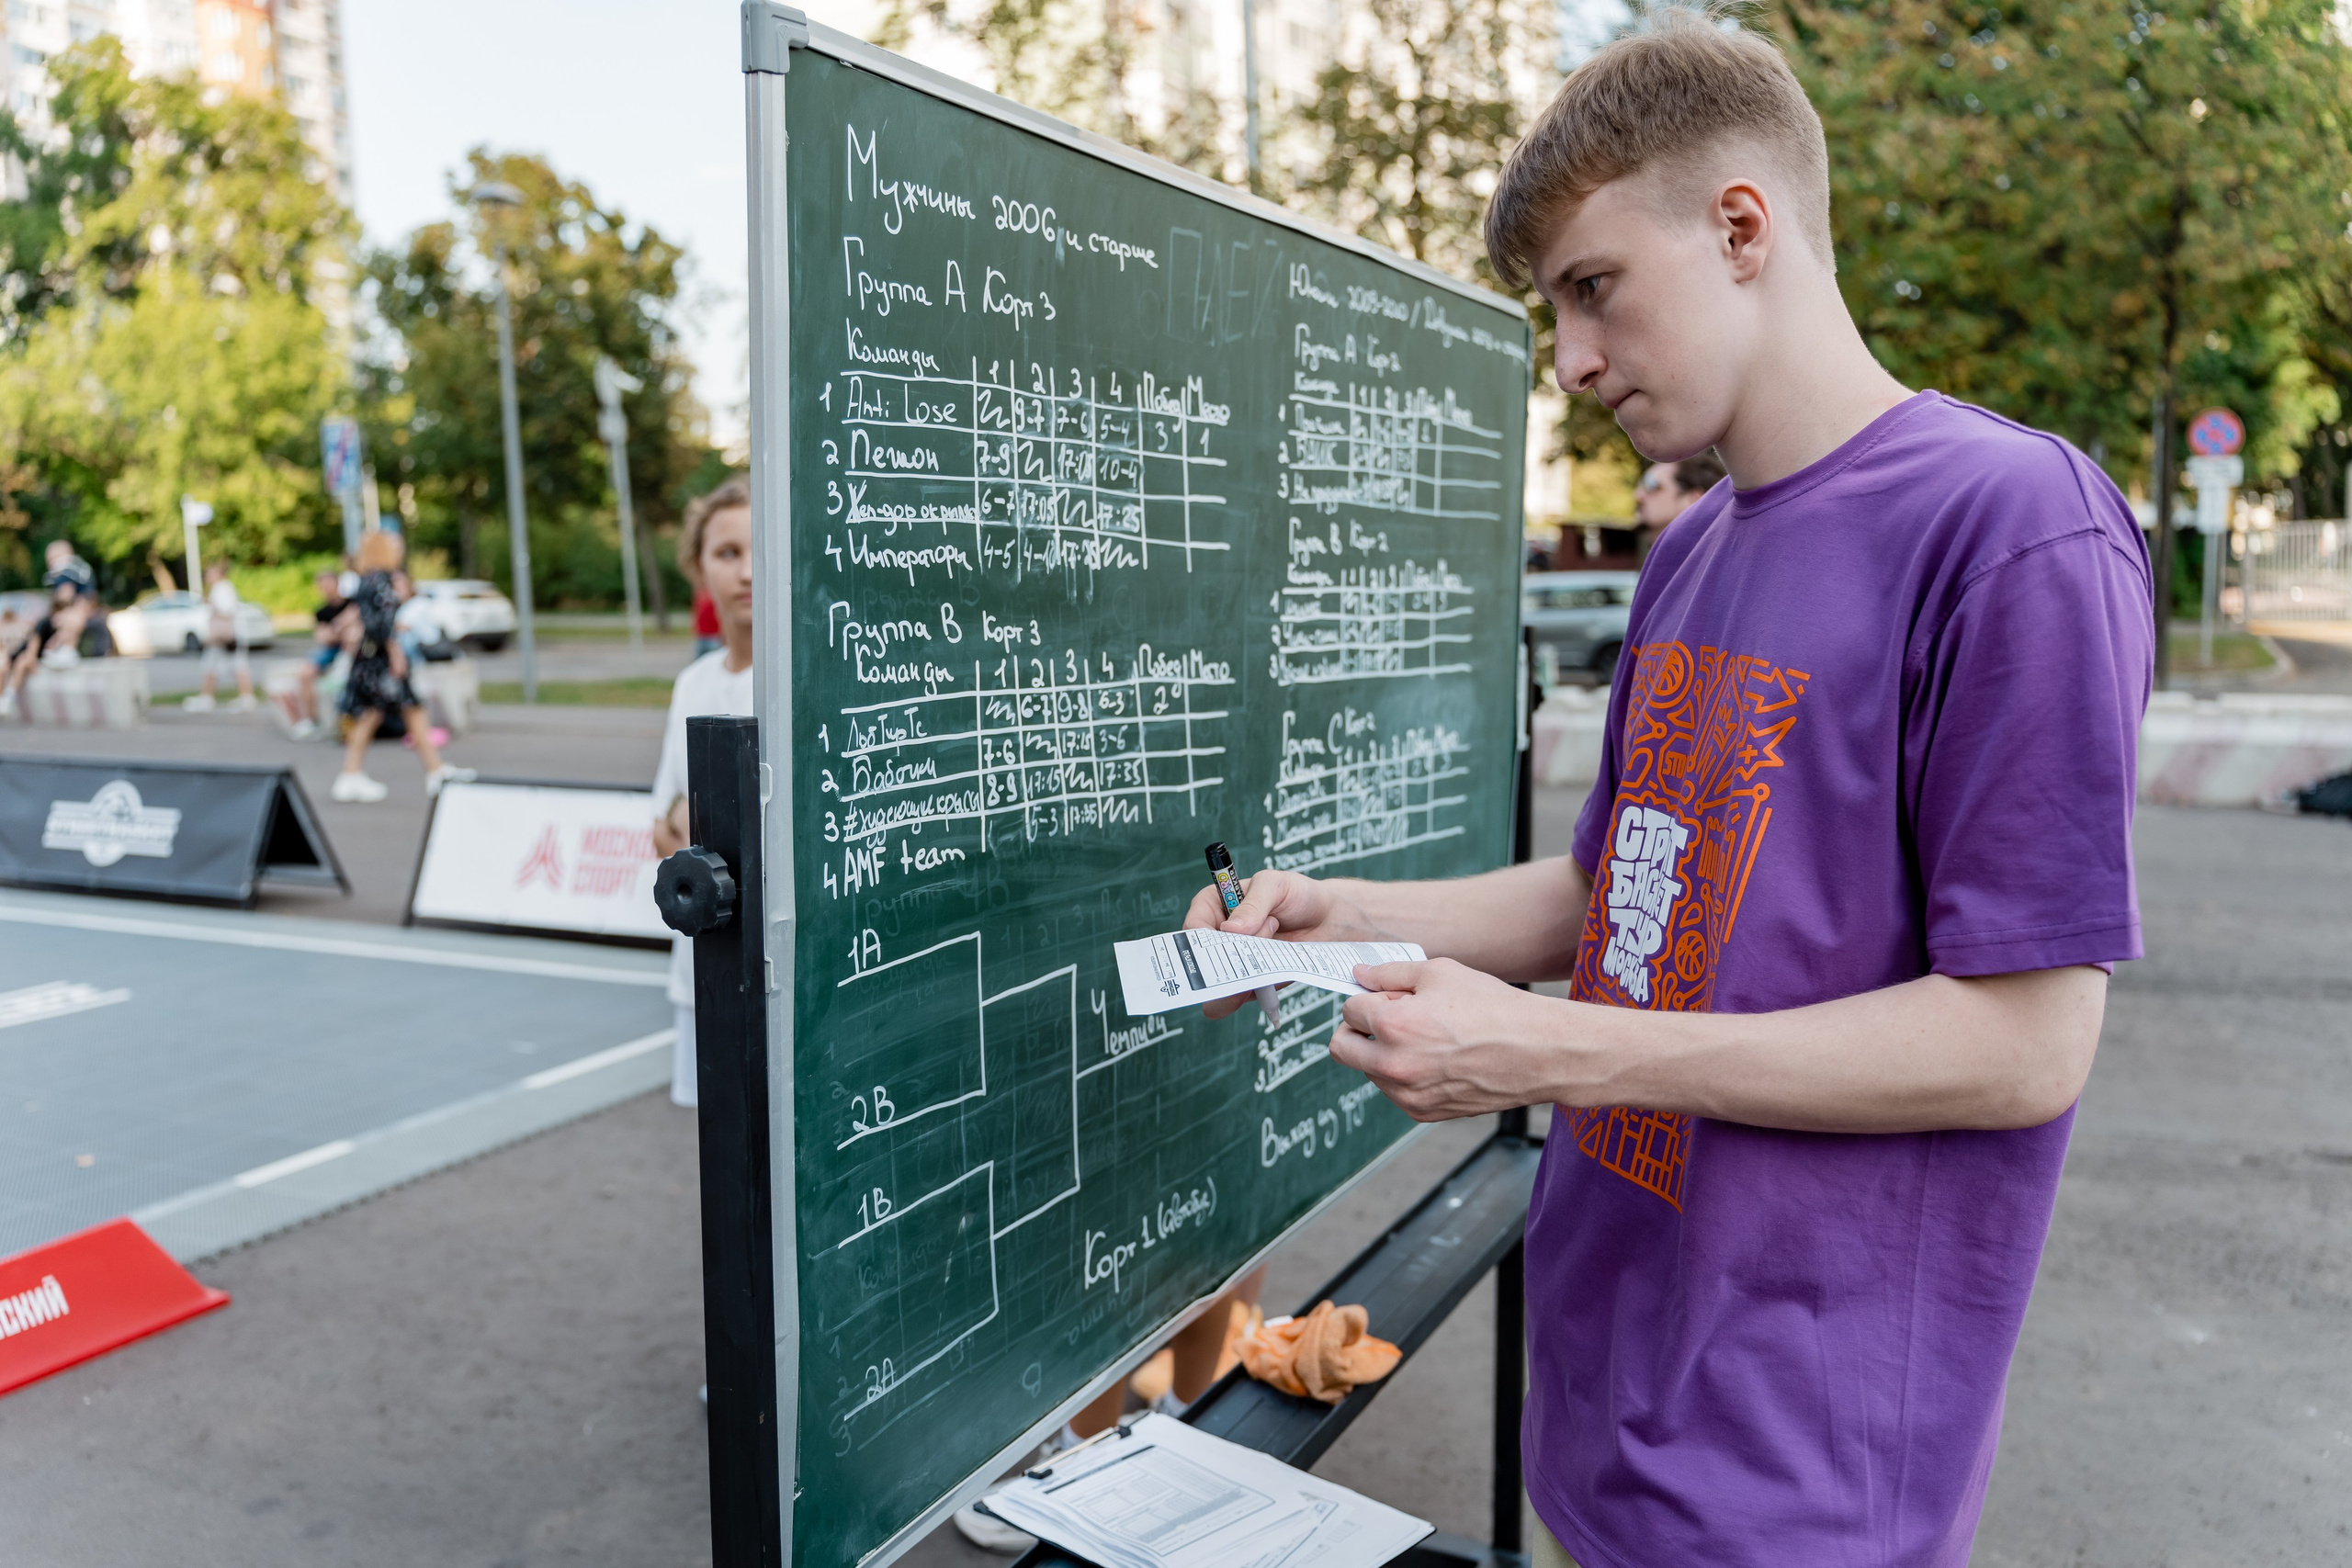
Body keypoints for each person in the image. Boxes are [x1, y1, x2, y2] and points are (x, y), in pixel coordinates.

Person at [1188, 14, 2151, 1568]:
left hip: (1802, 1480)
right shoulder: (1692, 548)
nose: (1567, 360)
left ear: (1741, 227)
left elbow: (2029, 1039)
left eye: (1592, 288)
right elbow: (1617, 888)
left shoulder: (2016, 526)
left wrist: (1549, 1049)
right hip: (1600, 1412)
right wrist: (1330, 914)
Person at [651, 478, 755, 1110]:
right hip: (703, 972)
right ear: (699, 567)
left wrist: (699, 825)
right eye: (727, 553)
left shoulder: (801, 681)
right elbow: (665, 827)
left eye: (758, 550)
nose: (746, 572)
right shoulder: (693, 684)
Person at [331, 531, 474, 802]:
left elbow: (365, 619)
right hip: (381, 660)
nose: (400, 549)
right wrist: (396, 652)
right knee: (394, 711)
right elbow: (381, 625)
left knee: (390, 712)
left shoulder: (365, 580)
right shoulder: (382, 581)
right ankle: (434, 771)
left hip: (369, 658)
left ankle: (354, 775)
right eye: (395, 545)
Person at [0, 587, 100, 717]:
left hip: (38, 654)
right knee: (12, 664)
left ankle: (7, 696)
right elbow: (33, 644)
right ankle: (7, 696)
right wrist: (31, 657)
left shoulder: (65, 626)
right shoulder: (44, 623)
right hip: (24, 652)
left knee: (15, 664)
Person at [183, 560, 256, 713]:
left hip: (227, 637)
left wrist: (210, 603)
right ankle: (208, 697)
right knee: (212, 666)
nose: (207, 576)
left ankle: (244, 698)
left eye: (210, 573)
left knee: (236, 666)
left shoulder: (222, 588)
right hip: (224, 638)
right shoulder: (222, 588)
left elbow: (227, 610)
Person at [289, 570, 352, 739]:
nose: (326, 588)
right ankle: (310, 720)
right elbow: (323, 638)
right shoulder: (321, 611)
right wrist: (340, 628)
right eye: (322, 585)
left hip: (351, 649)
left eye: (329, 584)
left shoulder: (352, 603)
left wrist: (336, 629)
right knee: (305, 672)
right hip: (332, 650)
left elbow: (351, 631)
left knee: (352, 638)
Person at [1631, 451, 1724, 561]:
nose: (1638, 495)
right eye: (1640, 485)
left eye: (1652, 486)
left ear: (1695, 500)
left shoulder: (1713, 568)